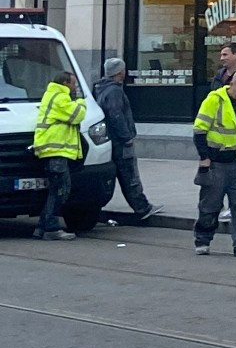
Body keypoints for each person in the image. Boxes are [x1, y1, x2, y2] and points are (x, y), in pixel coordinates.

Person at [193, 69, 236, 256]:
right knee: (210, 205)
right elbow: (199, 130)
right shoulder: (214, 100)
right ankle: (203, 239)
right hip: (217, 162)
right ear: (232, 83)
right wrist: (204, 159)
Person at [91, 58, 161, 223]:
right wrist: (126, 137)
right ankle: (143, 208)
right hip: (120, 141)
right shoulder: (114, 91)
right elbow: (116, 115)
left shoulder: (100, 88)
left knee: (117, 176)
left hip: (108, 140)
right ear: (119, 72)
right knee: (129, 175)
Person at [31, 67, 86, 241]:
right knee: (61, 190)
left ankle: (42, 227)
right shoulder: (60, 97)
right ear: (65, 83)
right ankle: (52, 228)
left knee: (55, 190)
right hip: (56, 151)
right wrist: (81, 102)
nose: (75, 87)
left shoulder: (53, 95)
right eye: (73, 84)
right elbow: (78, 115)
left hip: (53, 151)